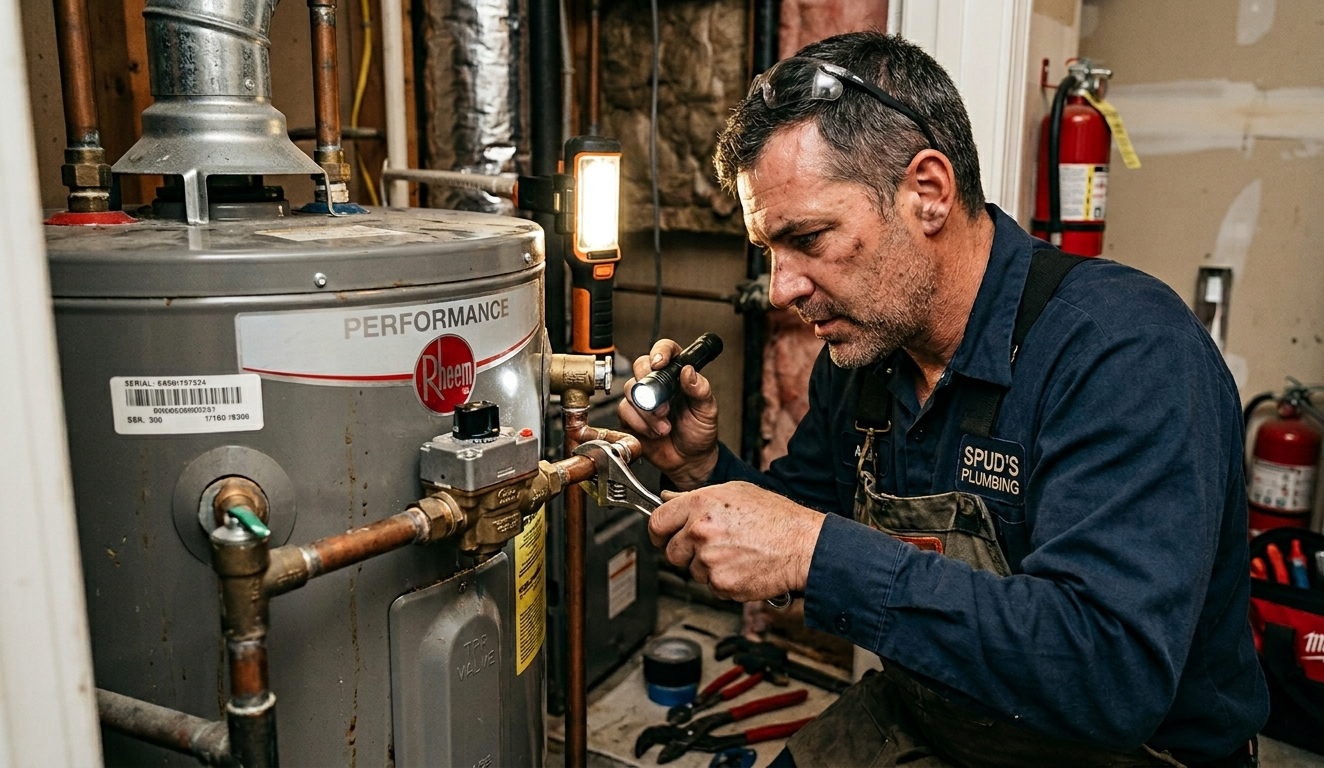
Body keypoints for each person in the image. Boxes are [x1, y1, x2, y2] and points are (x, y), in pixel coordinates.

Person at [618, 31, 1268, 768]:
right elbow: (796, 531)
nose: (783, 288)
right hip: (936, 717)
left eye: (809, 238)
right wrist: (703, 472)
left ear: (926, 192)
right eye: (771, 251)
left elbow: (1109, 674)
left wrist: (815, 550)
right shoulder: (863, 355)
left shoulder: (1124, 353)